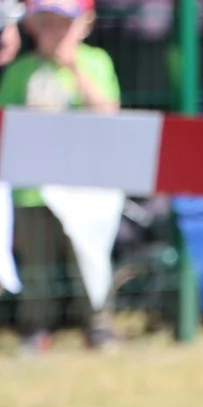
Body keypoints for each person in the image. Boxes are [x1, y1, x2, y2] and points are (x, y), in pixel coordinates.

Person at [0, 0, 121, 354]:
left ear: (86, 24)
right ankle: (35, 326)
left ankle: (97, 322)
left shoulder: (96, 63)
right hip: (32, 190)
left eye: (63, 25)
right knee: (38, 267)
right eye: (46, 24)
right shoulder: (20, 71)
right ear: (33, 27)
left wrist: (74, 71)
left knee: (88, 258)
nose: (54, 33)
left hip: (87, 188)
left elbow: (108, 113)